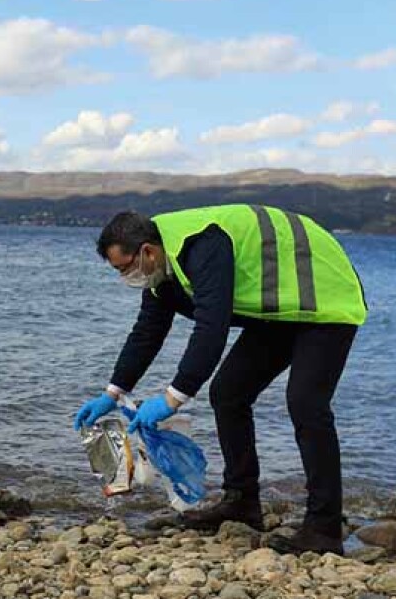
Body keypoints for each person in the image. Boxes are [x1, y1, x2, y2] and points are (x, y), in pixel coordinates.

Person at [74, 205, 366, 555]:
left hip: (326, 299)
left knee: (306, 403)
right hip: (280, 310)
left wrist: (171, 399)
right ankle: (242, 503)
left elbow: (212, 326)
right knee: (228, 393)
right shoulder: (161, 269)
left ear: (146, 252)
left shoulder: (201, 245)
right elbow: (147, 332)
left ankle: (324, 529)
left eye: (124, 268)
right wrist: (113, 392)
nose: (126, 277)